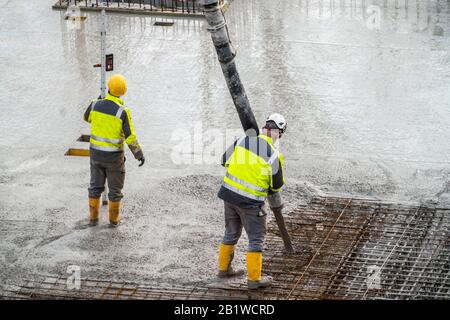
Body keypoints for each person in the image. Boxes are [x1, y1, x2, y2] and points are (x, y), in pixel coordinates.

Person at [217, 113, 286, 289]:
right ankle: (254, 280)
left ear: (264, 127)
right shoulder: (273, 155)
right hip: (250, 202)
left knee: (231, 233)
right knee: (256, 238)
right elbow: (276, 186)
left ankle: (224, 270)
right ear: (278, 132)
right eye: (281, 133)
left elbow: (224, 160)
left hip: (229, 195)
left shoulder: (243, 140)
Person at [83, 74, 145, 227]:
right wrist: (139, 154)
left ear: (108, 88)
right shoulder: (123, 112)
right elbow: (130, 138)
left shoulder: (94, 105)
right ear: (123, 92)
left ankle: (93, 219)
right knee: (115, 190)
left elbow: (86, 118)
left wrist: (99, 99)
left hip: (96, 155)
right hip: (114, 159)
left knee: (95, 187)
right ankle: (113, 221)